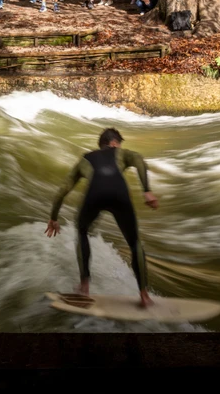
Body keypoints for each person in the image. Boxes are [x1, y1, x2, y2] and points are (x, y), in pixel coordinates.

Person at [45, 128, 159, 308]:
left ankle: (84, 287)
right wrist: (147, 190)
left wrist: (53, 217)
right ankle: (144, 296)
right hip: (119, 194)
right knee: (134, 242)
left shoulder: (85, 159)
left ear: (101, 144)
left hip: (94, 196)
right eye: (119, 144)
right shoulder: (121, 153)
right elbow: (138, 159)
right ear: (114, 143)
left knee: (82, 231)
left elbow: (63, 190)